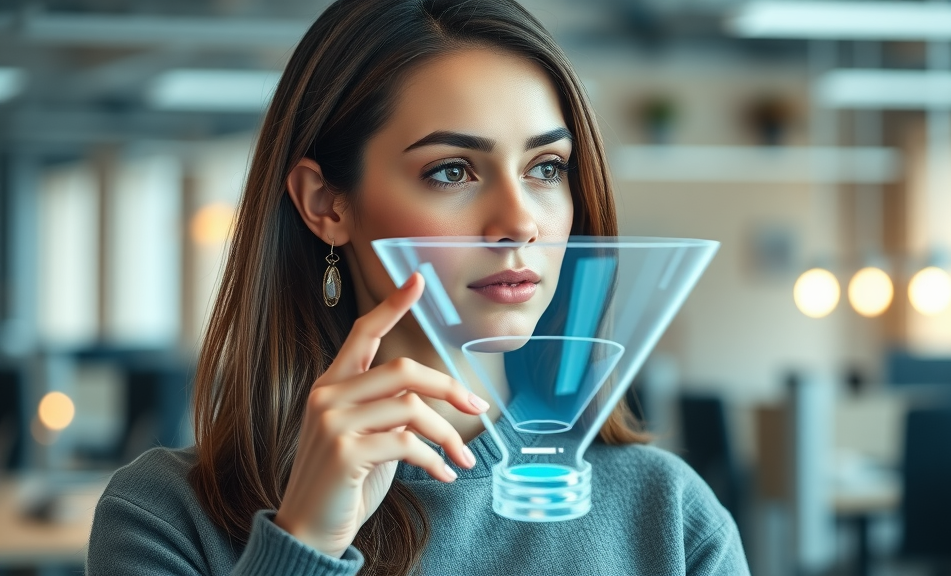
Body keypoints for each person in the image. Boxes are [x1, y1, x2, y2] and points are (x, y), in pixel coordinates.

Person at [86, 1, 750, 575]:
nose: (520, 221)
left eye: (546, 167)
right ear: (327, 204)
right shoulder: (164, 517)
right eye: (452, 171)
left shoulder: (670, 515)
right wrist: (303, 544)